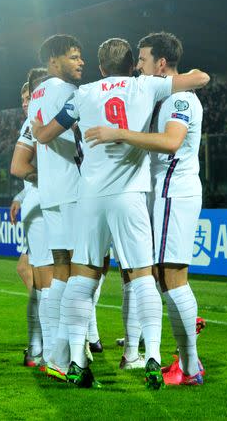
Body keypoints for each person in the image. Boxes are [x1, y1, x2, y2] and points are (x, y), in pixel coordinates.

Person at [32, 37, 209, 389]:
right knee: (143, 277)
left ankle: (77, 363)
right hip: (131, 196)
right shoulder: (145, 85)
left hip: (91, 197)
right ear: (131, 65)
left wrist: (36, 126)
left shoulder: (83, 94)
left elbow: (47, 133)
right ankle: (152, 357)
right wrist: (182, 74)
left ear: (99, 68)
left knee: (81, 279)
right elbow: (199, 79)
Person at [84, 31, 207, 385]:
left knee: (172, 279)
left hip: (173, 193)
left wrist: (118, 133)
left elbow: (170, 142)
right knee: (155, 278)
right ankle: (182, 362)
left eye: (143, 59)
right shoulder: (161, 95)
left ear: (161, 63)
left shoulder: (179, 99)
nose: (137, 66)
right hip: (160, 193)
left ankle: (190, 366)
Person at [25, 35, 84, 377]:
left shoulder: (35, 96)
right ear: (53, 62)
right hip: (75, 190)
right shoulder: (72, 93)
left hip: (49, 191)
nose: (80, 62)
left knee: (62, 270)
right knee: (85, 271)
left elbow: (39, 134)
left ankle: (54, 354)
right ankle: (73, 354)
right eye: (73, 57)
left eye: (81, 57)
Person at [10, 68, 55, 367]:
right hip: (49, 201)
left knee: (43, 276)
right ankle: (49, 349)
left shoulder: (43, 116)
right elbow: (19, 167)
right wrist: (54, 179)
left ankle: (40, 348)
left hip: (45, 201)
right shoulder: (41, 118)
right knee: (49, 277)